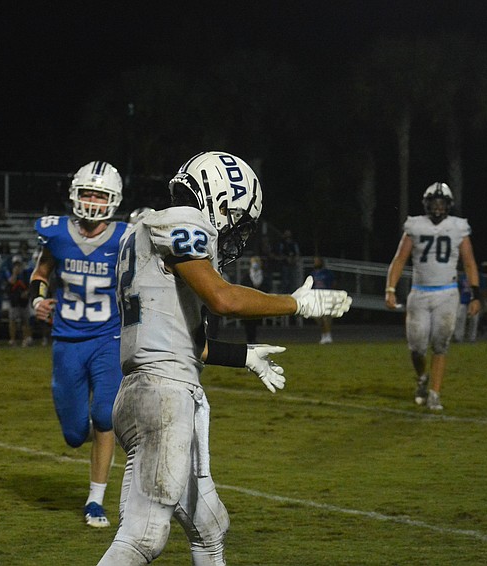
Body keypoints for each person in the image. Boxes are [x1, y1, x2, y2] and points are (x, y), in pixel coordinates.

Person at [97, 151, 351, 565]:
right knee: (143, 537)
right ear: (219, 196)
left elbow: (189, 340)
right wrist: (297, 304)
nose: (236, 231)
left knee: (210, 525)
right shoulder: (183, 221)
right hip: (162, 393)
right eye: (238, 217)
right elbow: (223, 298)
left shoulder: (141, 233)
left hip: (155, 386)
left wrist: (244, 356)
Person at [29, 160, 127, 528]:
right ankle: (88, 442)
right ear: (74, 194)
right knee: (74, 434)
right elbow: (41, 272)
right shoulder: (57, 234)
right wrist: (38, 300)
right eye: (87, 192)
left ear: (112, 199)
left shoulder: (126, 237)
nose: (92, 200)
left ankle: (95, 501)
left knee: (105, 415)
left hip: (108, 337)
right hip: (67, 339)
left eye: (100, 195)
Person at [385, 182, 482, 411]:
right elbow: (400, 259)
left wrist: (475, 294)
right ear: (427, 204)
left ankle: (434, 394)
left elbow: (469, 262)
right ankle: (422, 378)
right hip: (419, 293)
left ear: (448, 205)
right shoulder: (416, 225)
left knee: (441, 345)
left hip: (447, 293)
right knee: (417, 347)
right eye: (434, 203)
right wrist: (390, 289)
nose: (438, 208)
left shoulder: (458, 227)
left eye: (441, 203)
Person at [7, 255, 32, 347]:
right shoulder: (9, 273)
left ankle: (26, 339)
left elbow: (30, 285)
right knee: (12, 320)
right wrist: (14, 274)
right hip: (14, 300)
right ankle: (12, 340)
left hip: (24, 300)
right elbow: (10, 284)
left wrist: (26, 293)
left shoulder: (26, 274)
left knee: (25, 320)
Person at [241, 255, 267, 343]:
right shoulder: (247, 275)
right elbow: (243, 286)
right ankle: (250, 339)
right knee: (248, 321)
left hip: (259, 300)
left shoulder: (264, 274)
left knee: (255, 321)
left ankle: (253, 339)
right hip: (248, 300)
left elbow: (267, 286)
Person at [311, 256, 336, 344]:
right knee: (318, 317)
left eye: (317, 261)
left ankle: (328, 335)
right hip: (316, 296)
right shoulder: (313, 274)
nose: (315, 263)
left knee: (326, 317)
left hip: (325, 296)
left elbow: (332, 283)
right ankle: (323, 334)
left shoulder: (327, 273)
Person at [272, 228, 300, 293]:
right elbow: (280, 253)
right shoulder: (282, 243)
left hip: (293, 264)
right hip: (285, 264)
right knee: (285, 281)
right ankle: (284, 293)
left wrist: (294, 259)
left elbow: (297, 253)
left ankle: (293, 293)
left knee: (293, 280)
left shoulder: (294, 243)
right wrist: (286, 258)